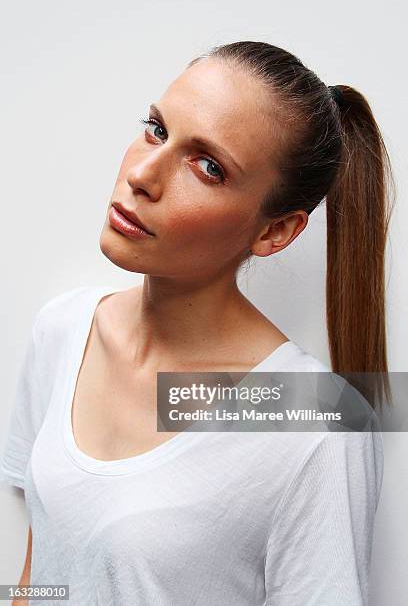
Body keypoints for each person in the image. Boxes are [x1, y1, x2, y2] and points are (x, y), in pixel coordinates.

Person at [0, 40, 395, 605]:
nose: (141, 174)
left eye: (208, 167)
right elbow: (42, 575)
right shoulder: (63, 330)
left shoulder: (314, 422)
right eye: (156, 130)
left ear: (275, 231)